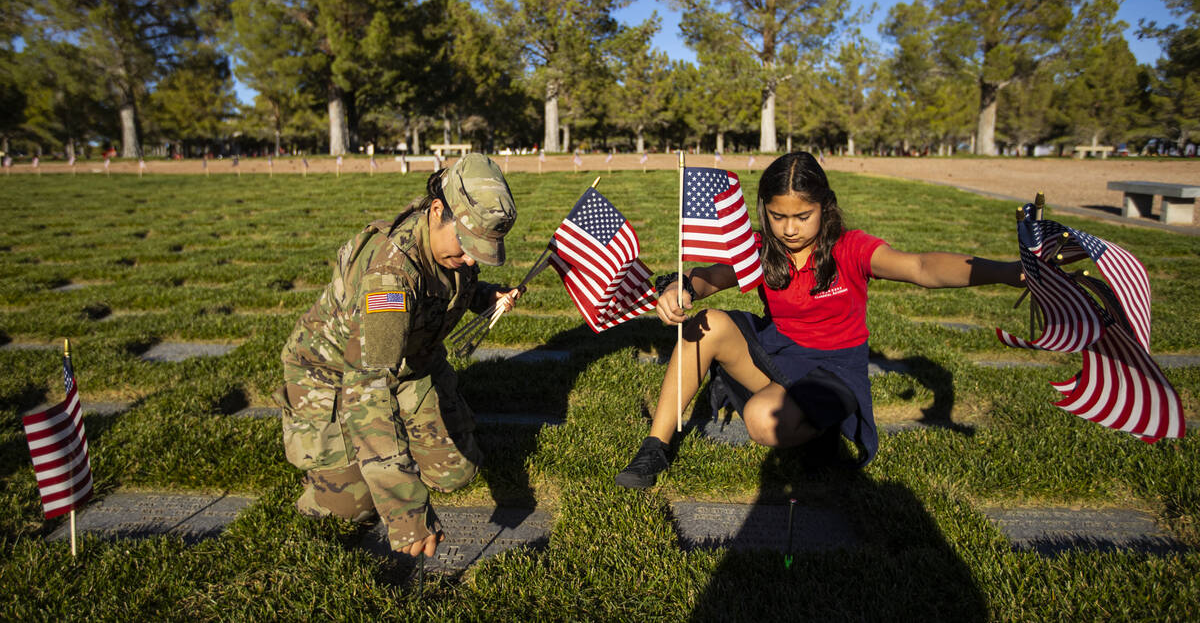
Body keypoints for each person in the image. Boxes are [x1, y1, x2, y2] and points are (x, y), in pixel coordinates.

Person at [615, 151, 1023, 488]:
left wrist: (1007, 272)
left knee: (761, 420)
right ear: (765, 210)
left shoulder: (850, 247)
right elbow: (711, 278)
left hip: (832, 371)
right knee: (705, 324)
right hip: (776, 354)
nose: (789, 229)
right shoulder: (761, 248)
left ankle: (823, 432)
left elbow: (921, 266)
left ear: (824, 207)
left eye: (802, 216)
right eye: (778, 216)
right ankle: (655, 447)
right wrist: (679, 289)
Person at [276, 153, 522, 557]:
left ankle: (397, 436)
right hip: (335, 379)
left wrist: (484, 295)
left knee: (457, 473)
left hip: (410, 365)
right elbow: (366, 390)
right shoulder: (388, 278)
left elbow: (448, 287)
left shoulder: (449, 246)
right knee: (349, 509)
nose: (472, 258)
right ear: (437, 210)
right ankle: (330, 463)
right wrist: (406, 510)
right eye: (468, 245)